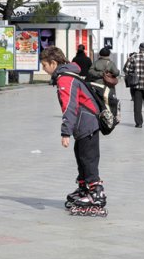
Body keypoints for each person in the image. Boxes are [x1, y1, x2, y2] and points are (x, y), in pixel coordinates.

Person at [40, 46, 107, 216]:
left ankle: (96, 193)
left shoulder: (65, 79)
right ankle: (84, 190)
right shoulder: (69, 74)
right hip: (85, 124)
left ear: (53, 63)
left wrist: (65, 133)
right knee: (81, 157)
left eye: (44, 65)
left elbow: (70, 106)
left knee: (88, 159)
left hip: (86, 123)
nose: (43, 69)